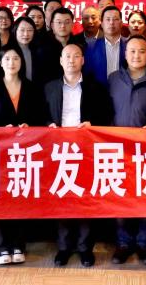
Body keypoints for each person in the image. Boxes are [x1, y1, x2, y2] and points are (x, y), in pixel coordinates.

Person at [0, 46, 48, 266]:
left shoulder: (32, 87)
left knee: (20, 196)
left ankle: (18, 244)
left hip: (25, 152)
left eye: (16, 58)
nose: (11, 62)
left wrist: (30, 125)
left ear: (21, 62)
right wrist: (0, 129)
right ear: (0, 62)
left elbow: (42, 116)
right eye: (7, 58)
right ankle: (1, 246)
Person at [44, 43, 112, 268]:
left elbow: (107, 115)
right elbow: (40, 114)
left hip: (87, 149)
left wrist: (93, 124)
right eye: (67, 56)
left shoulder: (96, 87)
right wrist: (48, 124)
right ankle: (64, 247)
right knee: (62, 198)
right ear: (60, 61)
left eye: (76, 56)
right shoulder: (50, 87)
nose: (71, 60)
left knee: (85, 199)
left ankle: (84, 248)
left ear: (83, 60)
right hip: (58, 151)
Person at [107, 36, 146, 266]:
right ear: (125, 53)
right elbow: (106, 109)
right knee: (119, 196)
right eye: (132, 51)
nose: (136, 55)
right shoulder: (113, 79)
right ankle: (123, 243)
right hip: (118, 148)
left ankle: (144, 244)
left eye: (141, 51)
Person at [84, 6, 127, 87]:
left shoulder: (129, 45)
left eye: (115, 19)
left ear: (121, 23)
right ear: (102, 23)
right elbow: (87, 74)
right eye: (108, 19)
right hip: (99, 91)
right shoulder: (90, 47)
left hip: (124, 91)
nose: (111, 22)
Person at [12, 16, 59, 83]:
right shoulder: (7, 51)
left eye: (30, 30)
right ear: (15, 30)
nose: (26, 34)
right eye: (22, 30)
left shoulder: (40, 51)